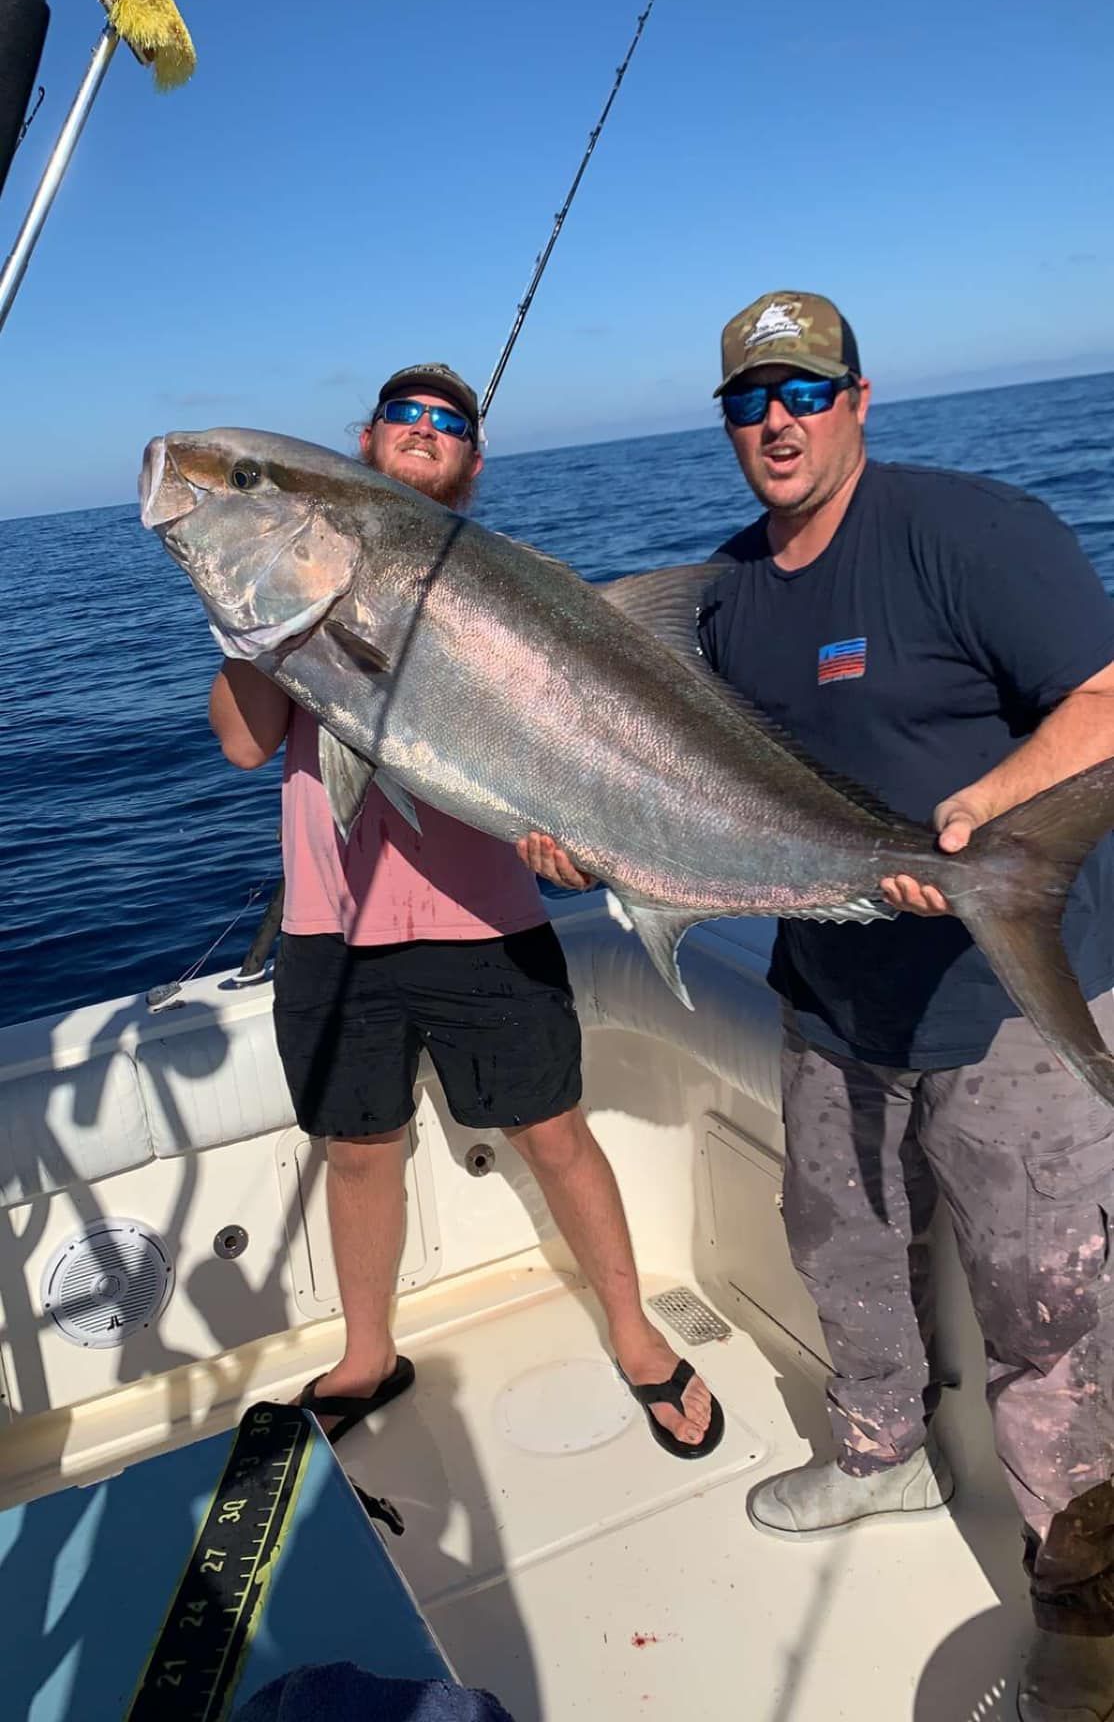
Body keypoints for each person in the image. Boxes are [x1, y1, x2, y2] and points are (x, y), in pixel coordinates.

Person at [528, 290, 1114, 1720]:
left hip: (1003, 1008)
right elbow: (672, 796)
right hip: (828, 998)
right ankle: (878, 1457)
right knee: (841, 1248)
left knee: (1049, 1317)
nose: (775, 421)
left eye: (801, 391)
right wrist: (572, 830)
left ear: (857, 396)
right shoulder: (721, 597)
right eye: (747, 401)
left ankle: (1083, 1618)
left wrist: (980, 811)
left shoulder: (965, 531)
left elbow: (1101, 698)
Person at [210, 361, 722, 1462]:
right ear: (365, 441)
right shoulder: (296, 577)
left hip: (488, 919)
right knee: (358, 1147)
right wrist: (262, 615)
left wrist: (579, 847)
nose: (426, 431)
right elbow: (247, 743)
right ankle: (364, 1353)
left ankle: (634, 1332)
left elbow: (567, 768)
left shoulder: (524, 594)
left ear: (472, 466)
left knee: (552, 1128)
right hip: (332, 932)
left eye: (450, 423)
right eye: (406, 416)